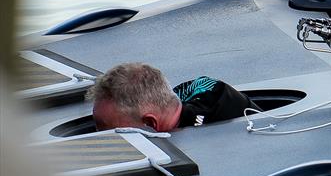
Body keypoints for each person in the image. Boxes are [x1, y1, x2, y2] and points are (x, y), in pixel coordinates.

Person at [88, 63, 261, 131]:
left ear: (149, 123)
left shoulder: (217, 121)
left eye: (109, 132)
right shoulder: (169, 99)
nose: (97, 135)